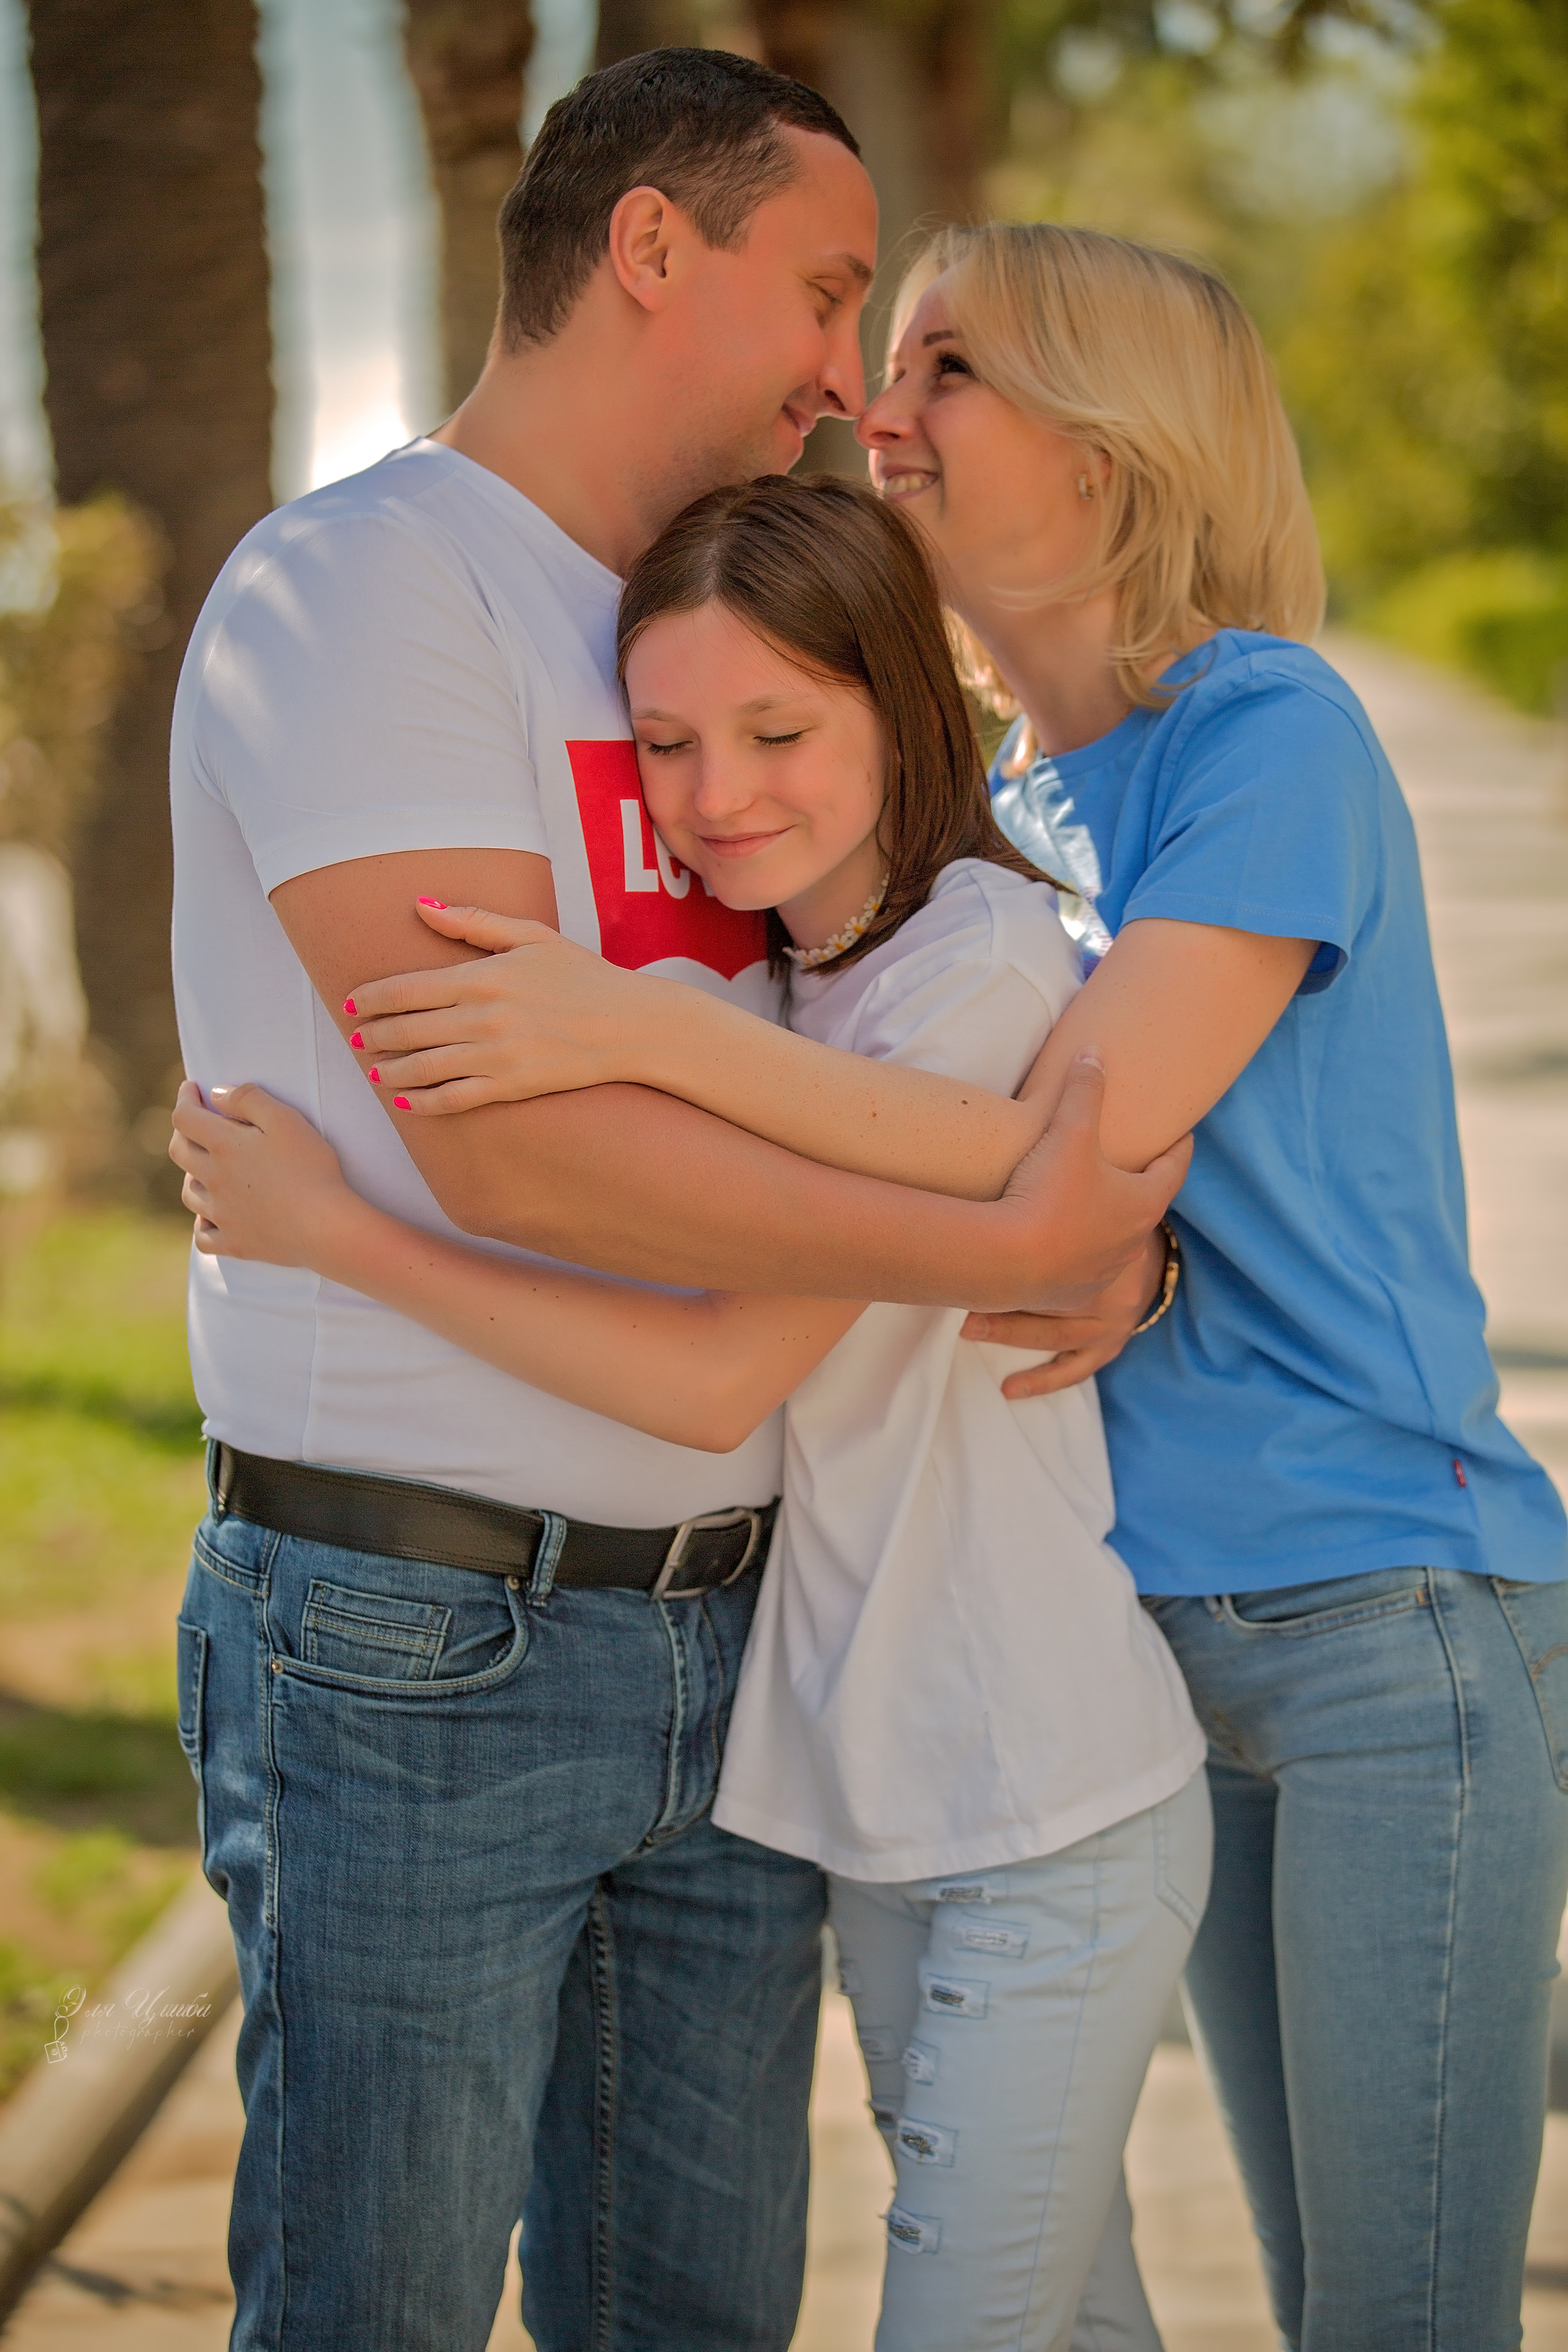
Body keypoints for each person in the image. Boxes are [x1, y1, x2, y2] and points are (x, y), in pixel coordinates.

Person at [303, 222, 1568, 2352]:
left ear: (1116, 442)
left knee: (1394, 2321)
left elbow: (1064, 1157)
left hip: (1381, 1622)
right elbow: (1044, 1192)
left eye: (947, 364)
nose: (876, 409)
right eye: (880, 361)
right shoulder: (1030, 813)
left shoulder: (1269, 730)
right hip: (1156, 1635)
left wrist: (652, 1038)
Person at [168, 56, 1186, 2352]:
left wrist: (1090, 1207)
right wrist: (1031, 1234)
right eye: (825, 291)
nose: (851, 373)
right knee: (381, 2315)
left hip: (733, 1655)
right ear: (651, 247)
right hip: (419, 1637)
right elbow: (512, 1147)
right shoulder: (364, 589)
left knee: (700, 2323)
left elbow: (887, 1045)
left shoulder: (690, 618)